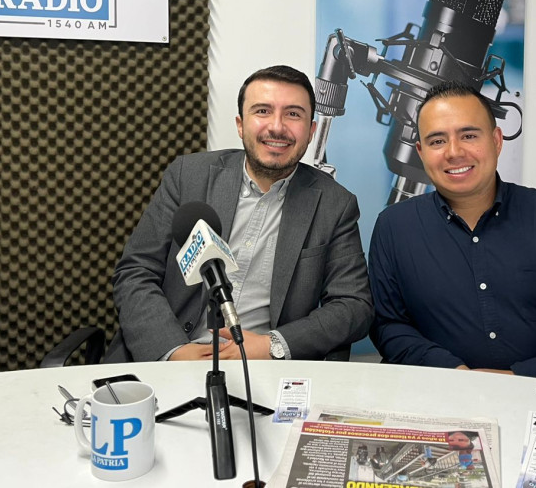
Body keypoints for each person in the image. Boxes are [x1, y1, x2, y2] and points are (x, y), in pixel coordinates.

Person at [368, 81, 536, 380]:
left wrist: (523, 376)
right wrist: (455, 374)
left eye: (468, 135)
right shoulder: (393, 226)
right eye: (437, 141)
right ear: (420, 151)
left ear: (497, 140)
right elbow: (388, 325)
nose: (454, 152)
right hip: (441, 397)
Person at [109, 64, 372, 362]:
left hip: (262, 367)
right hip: (173, 354)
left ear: (311, 131)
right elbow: (136, 272)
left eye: (293, 114)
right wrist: (173, 351)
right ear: (240, 124)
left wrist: (273, 345)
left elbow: (353, 305)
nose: (277, 126)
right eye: (262, 111)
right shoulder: (187, 176)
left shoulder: (335, 204)